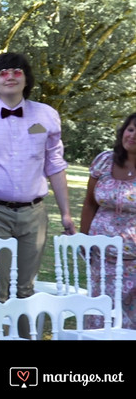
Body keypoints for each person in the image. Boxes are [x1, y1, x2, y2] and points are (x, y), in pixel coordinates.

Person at [0, 52, 75, 338]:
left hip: (34, 214)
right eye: (3, 73)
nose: (10, 76)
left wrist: (66, 213)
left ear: (26, 79)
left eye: (16, 71)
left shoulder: (46, 115)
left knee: (25, 289)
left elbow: (55, 165)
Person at [81, 112, 136, 329]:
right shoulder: (104, 161)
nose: (133, 135)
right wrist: (83, 239)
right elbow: (89, 203)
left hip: (134, 259)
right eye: (130, 129)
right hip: (101, 254)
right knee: (100, 309)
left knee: (129, 316)